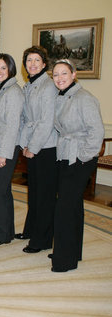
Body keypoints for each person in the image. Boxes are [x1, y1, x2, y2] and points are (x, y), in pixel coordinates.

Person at [51, 59, 104, 272]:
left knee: (63, 208)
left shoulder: (85, 98)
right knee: (73, 207)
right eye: (56, 74)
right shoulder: (61, 97)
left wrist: (83, 157)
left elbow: (97, 132)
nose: (60, 78)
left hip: (80, 158)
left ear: (74, 74)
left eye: (64, 73)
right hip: (65, 155)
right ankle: (73, 252)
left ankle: (63, 260)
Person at [18, 46, 58, 253]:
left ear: (44, 64)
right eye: (29, 61)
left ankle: (41, 240)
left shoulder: (48, 86)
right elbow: (26, 120)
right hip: (32, 145)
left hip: (46, 147)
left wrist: (32, 147)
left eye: (36, 60)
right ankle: (32, 230)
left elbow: (46, 122)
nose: (32, 64)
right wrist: (24, 144)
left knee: (44, 196)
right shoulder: (30, 85)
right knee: (33, 193)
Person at [0, 53, 24, 246]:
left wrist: (4, 154)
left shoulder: (14, 92)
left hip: (6, 146)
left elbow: (12, 126)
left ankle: (1, 234)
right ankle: (6, 231)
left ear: (10, 69)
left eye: (3, 68)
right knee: (3, 190)